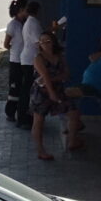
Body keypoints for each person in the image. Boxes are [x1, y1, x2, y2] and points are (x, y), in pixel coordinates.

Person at [29, 26, 80, 160]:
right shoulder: (38, 58)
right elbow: (44, 76)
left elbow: (66, 74)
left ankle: (72, 141)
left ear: (53, 42)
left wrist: (54, 80)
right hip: (41, 92)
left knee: (73, 112)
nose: (45, 44)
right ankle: (41, 150)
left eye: (48, 41)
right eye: (42, 42)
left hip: (58, 89)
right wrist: (51, 92)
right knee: (39, 120)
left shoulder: (60, 57)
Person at [7, 0, 45, 128]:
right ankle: (22, 116)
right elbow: (38, 42)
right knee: (24, 89)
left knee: (24, 88)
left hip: (25, 59)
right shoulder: (32, 23)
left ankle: (22, 116)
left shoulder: (26, 23)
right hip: (28, 59)